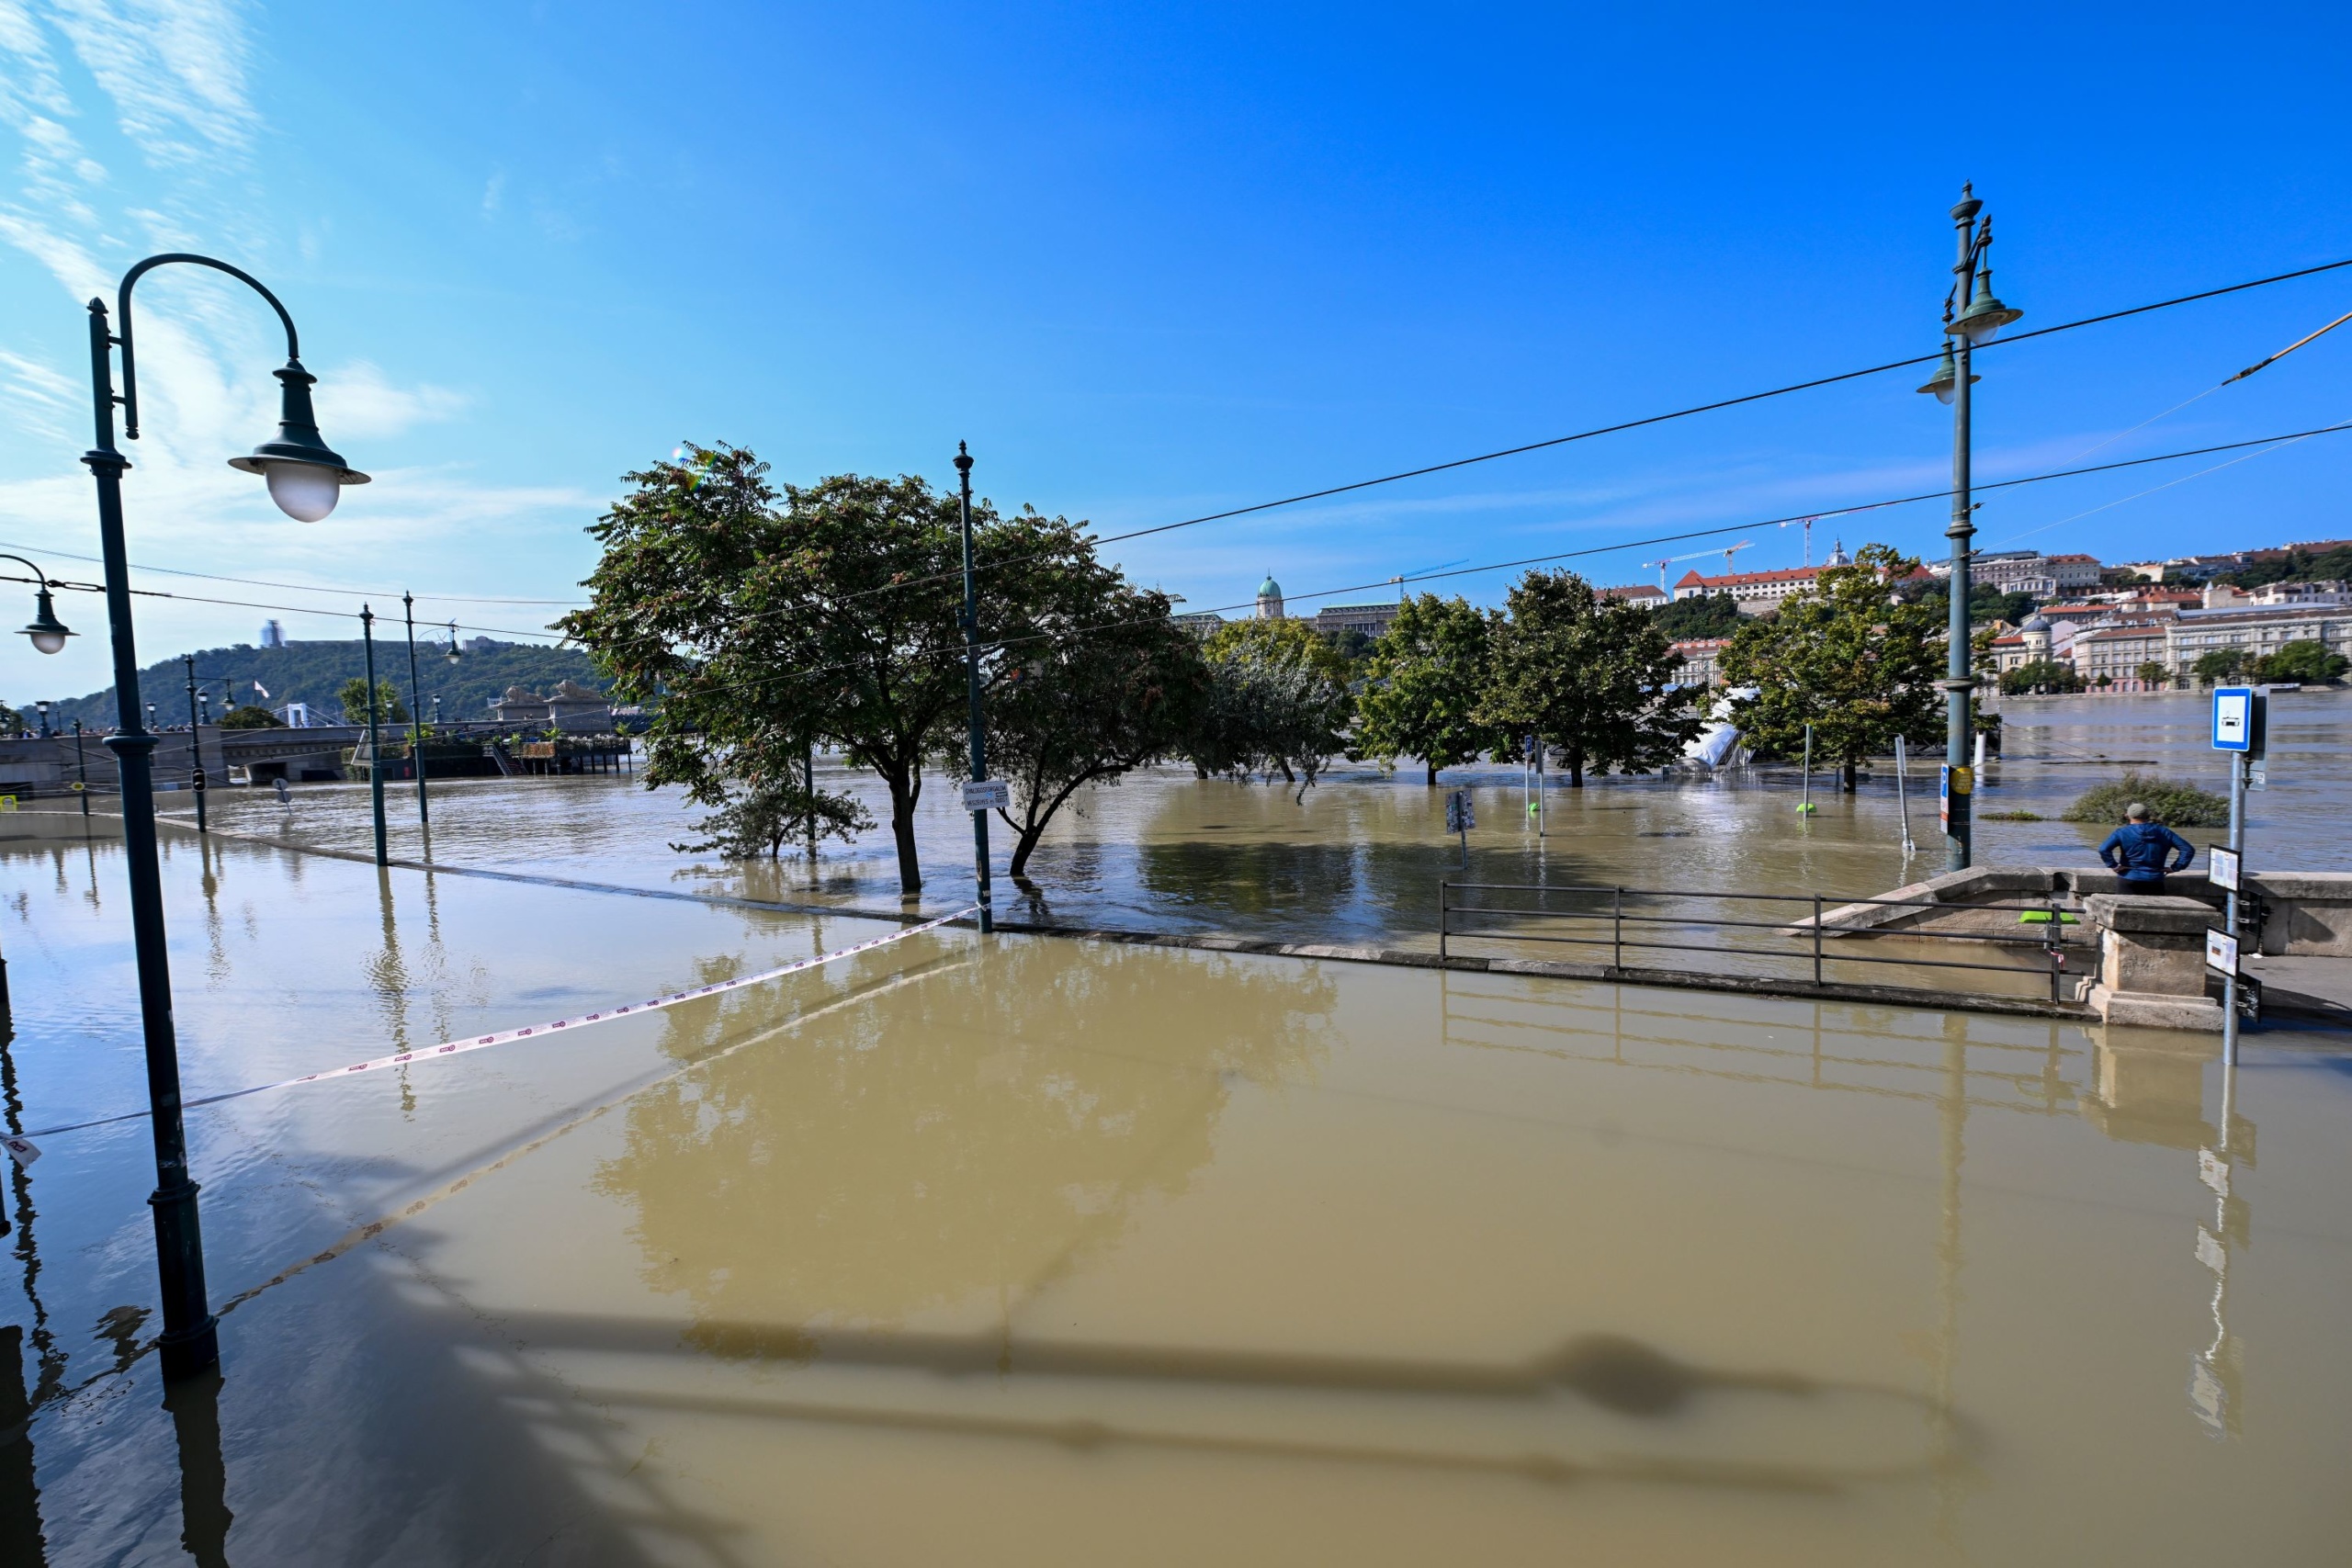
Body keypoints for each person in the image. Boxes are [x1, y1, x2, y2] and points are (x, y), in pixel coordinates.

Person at [2098, 802, 2195, 893]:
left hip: (2128, 877)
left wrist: (2113, 865)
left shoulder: (2122, 832)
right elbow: (2187, 850)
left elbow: (2103, 849)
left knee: (2123, 910)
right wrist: (2175, 867)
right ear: (2148, 816)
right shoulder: (2164, 832)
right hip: (2155, 879)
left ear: (2127, 816)